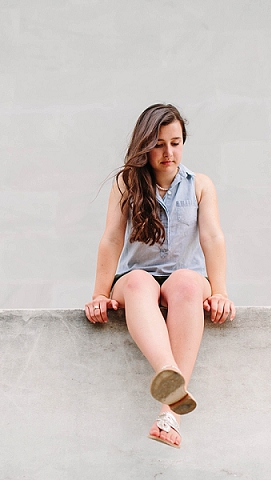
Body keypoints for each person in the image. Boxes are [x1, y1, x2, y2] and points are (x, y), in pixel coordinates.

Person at [84, 104, 235, 449]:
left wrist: (221, 291)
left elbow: (213, 238)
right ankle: (170, 373)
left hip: (187, 279)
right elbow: (111, 239)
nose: (169, 152)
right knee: (138, 281)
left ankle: (170, 415)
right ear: (145, 145)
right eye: (159, 143)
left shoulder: (200, 185)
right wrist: (99, 293)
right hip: (138, 279)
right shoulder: (127, 184)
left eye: (176, 142)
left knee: (183, 281)